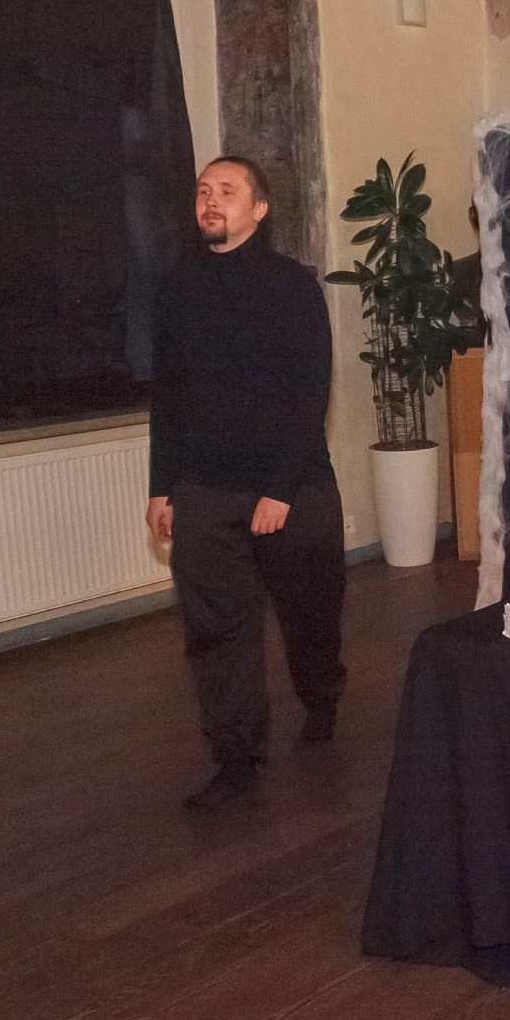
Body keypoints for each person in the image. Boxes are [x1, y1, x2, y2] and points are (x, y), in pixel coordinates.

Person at [147, 156, 346, 814]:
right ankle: (235, 760)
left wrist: (280, 491)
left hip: (292, 488)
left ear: (258, 210)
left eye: (227, 192)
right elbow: (168, 397)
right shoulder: (176, 291)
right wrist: (161, 486)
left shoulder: (292, 287)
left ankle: (321, 696)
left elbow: (311, 392)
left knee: (310, 616)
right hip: (204, 491)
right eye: (203, 191)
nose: (210, 201)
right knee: (216, 634)